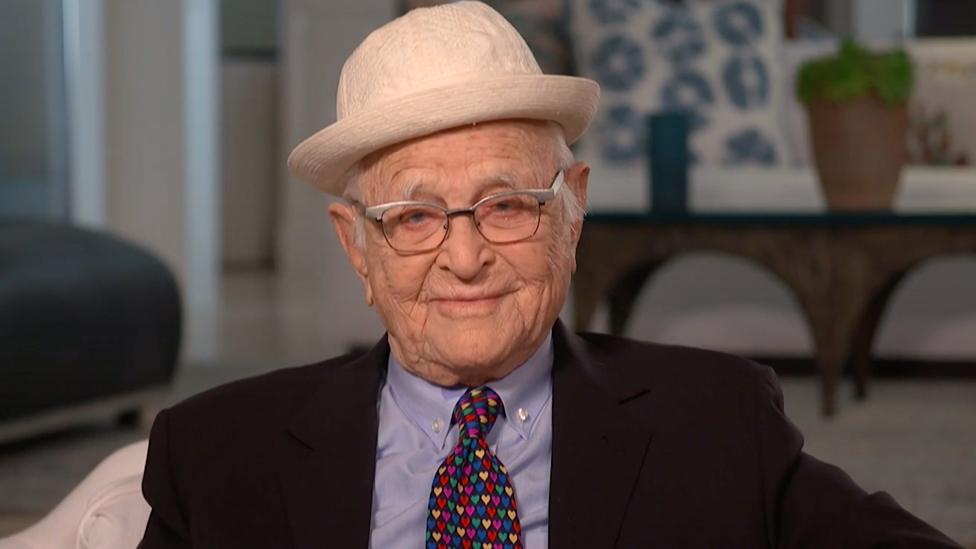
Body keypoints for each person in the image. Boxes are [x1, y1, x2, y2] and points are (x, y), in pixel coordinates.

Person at [139, 2, 961, 548]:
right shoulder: (212, 454)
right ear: (357, 246)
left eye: (505, 205)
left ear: (571, 209)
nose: (464, 259)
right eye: (416, 218)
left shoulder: (720, 424)